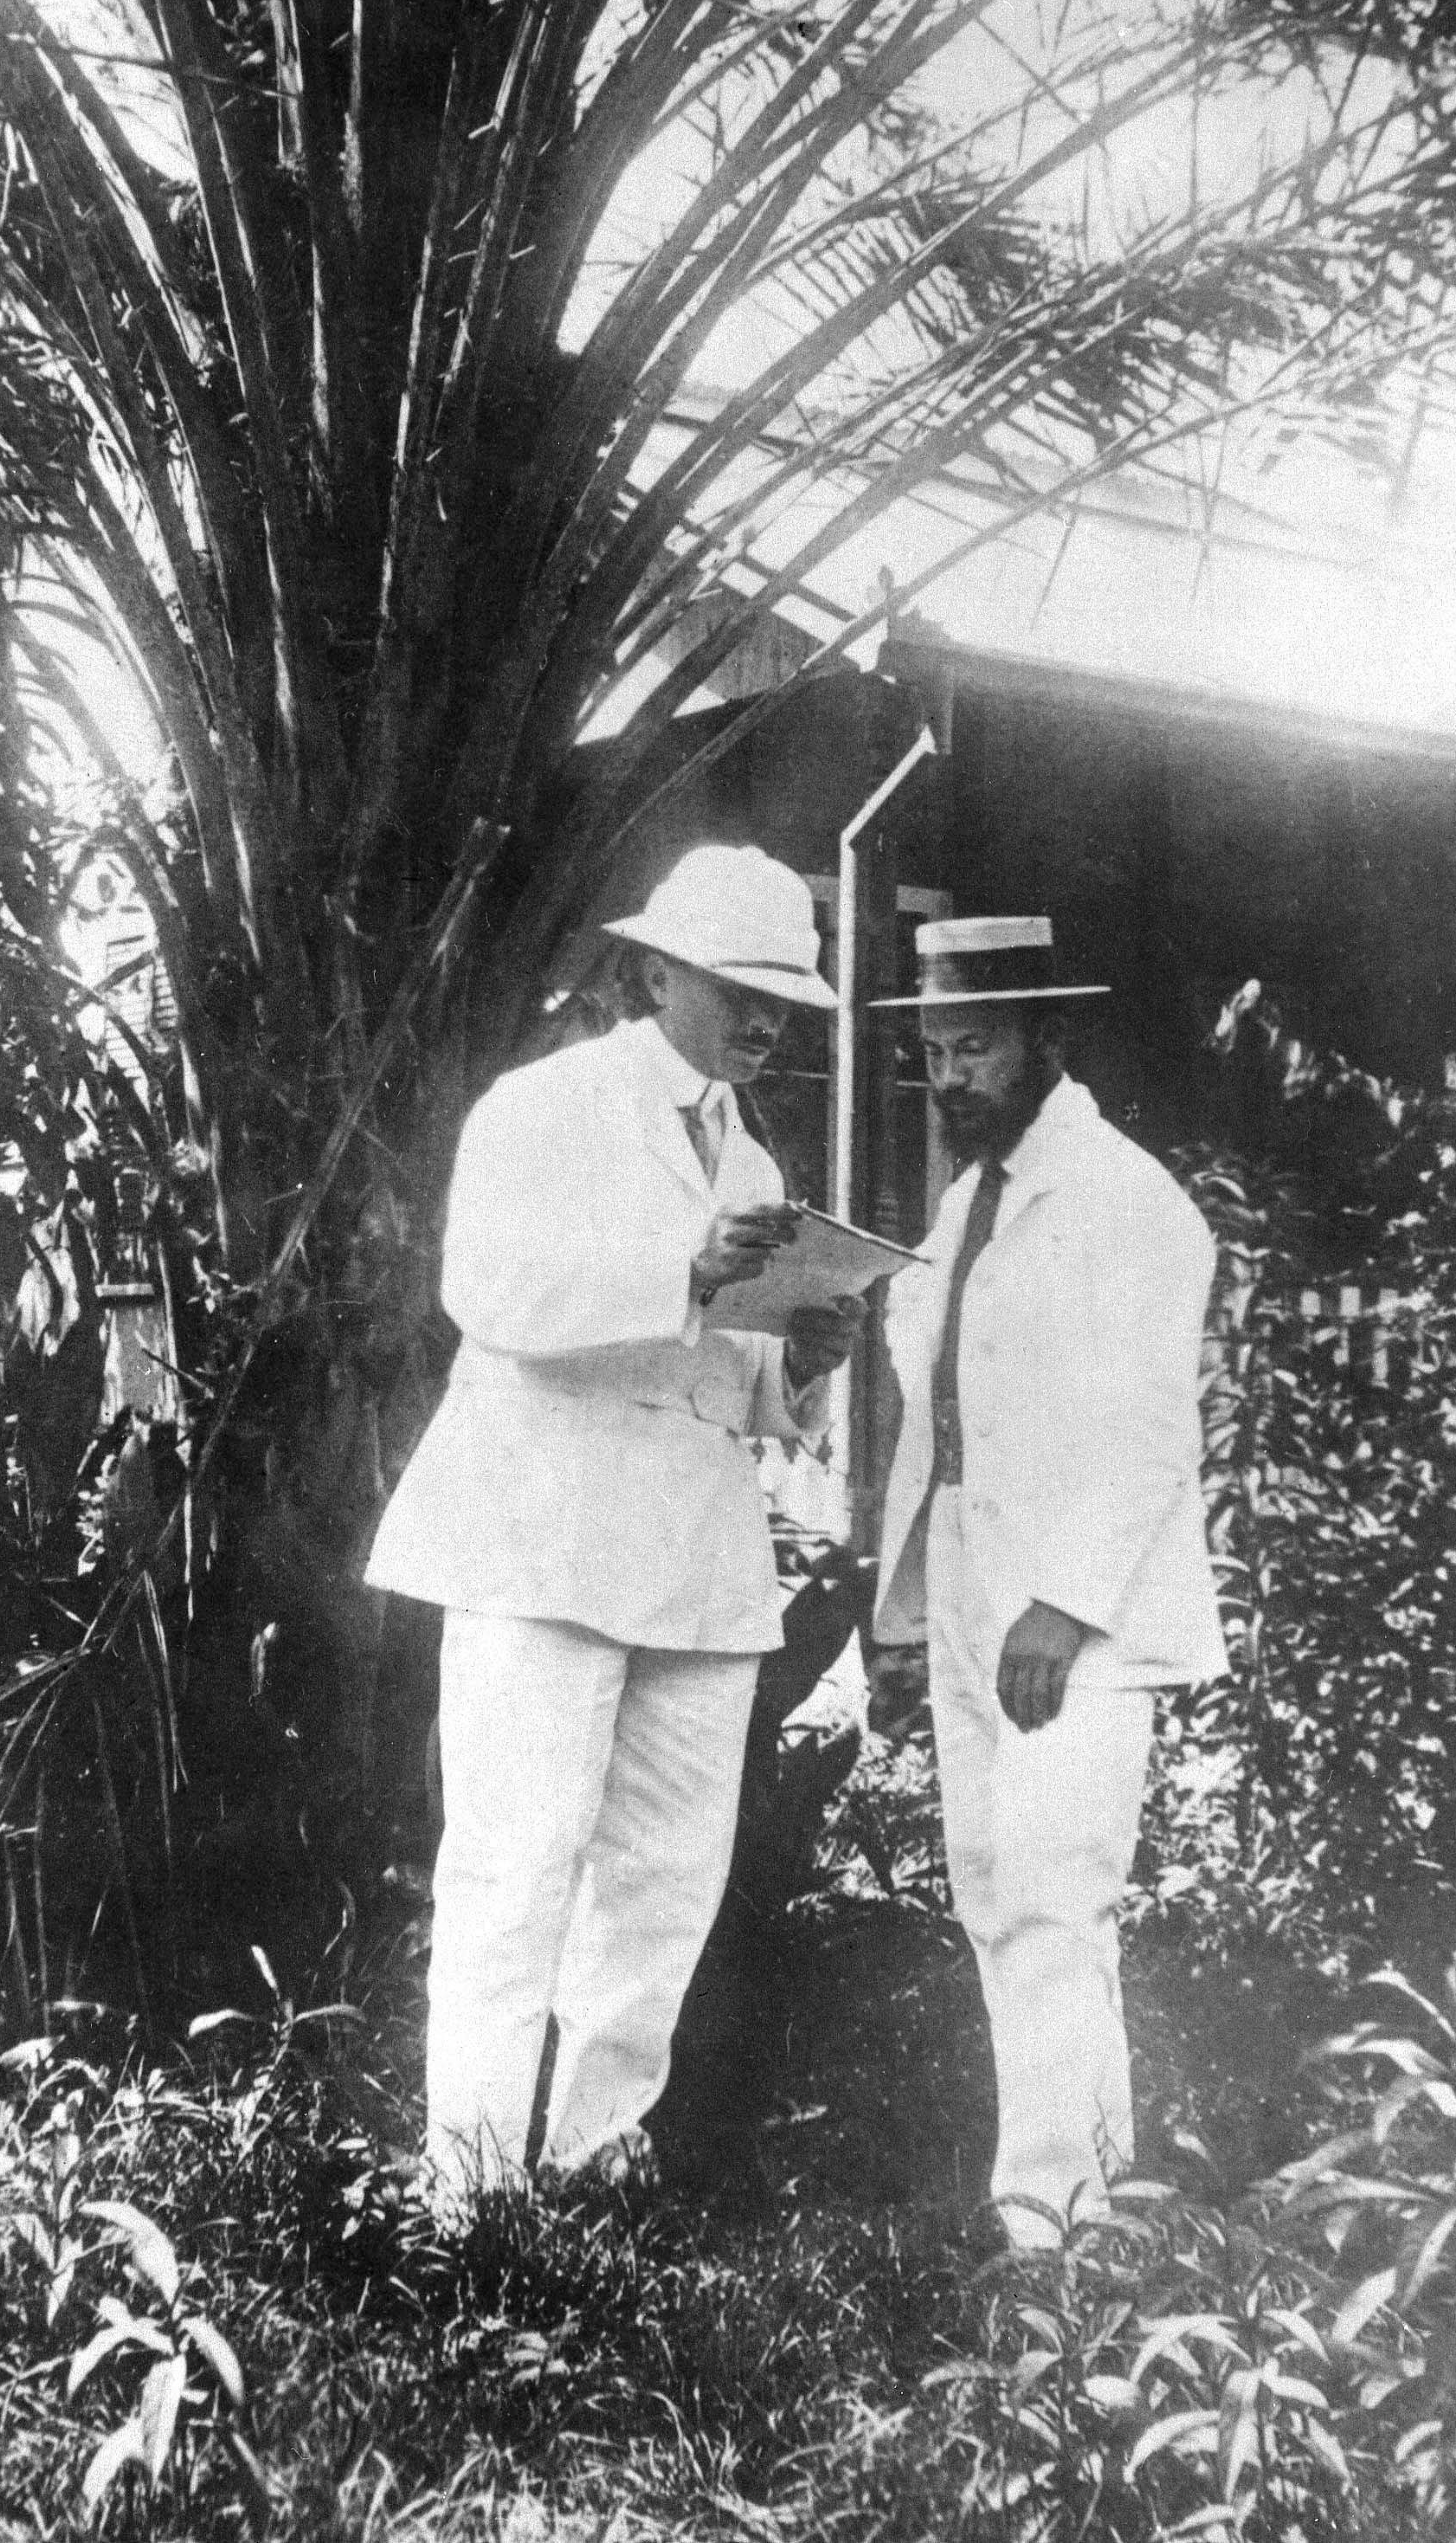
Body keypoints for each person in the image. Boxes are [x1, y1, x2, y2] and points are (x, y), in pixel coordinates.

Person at [364, 842, 860, 2211]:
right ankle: (468, 2190)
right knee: (515, 1866)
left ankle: (592, 2157)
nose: (765, 1018)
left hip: (694, 1556)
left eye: (784, 998)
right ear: (652, 977)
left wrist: (800, 1360)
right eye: (738, 986)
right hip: (543, 1536)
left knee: (663, 1878)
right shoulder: (544, 1107)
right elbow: (489, 1290)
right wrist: (680, 1267)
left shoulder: (751, 1153)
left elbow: (727, 1378)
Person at [867, 916, 1228, 2243]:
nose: (948, 1076)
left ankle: (1048, 2219)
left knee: (1054, 1888)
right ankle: (1093, 2184)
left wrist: (1067, 1603)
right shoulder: (967, 1205)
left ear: (1048, 1038)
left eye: (974, 1047)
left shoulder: (1130, 1201)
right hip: (972, 1575)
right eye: (932, 1051)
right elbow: (940, 1407)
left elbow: (1151, 1424)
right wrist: (913, 1607)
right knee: (991, 1882)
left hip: (1079, 1601)